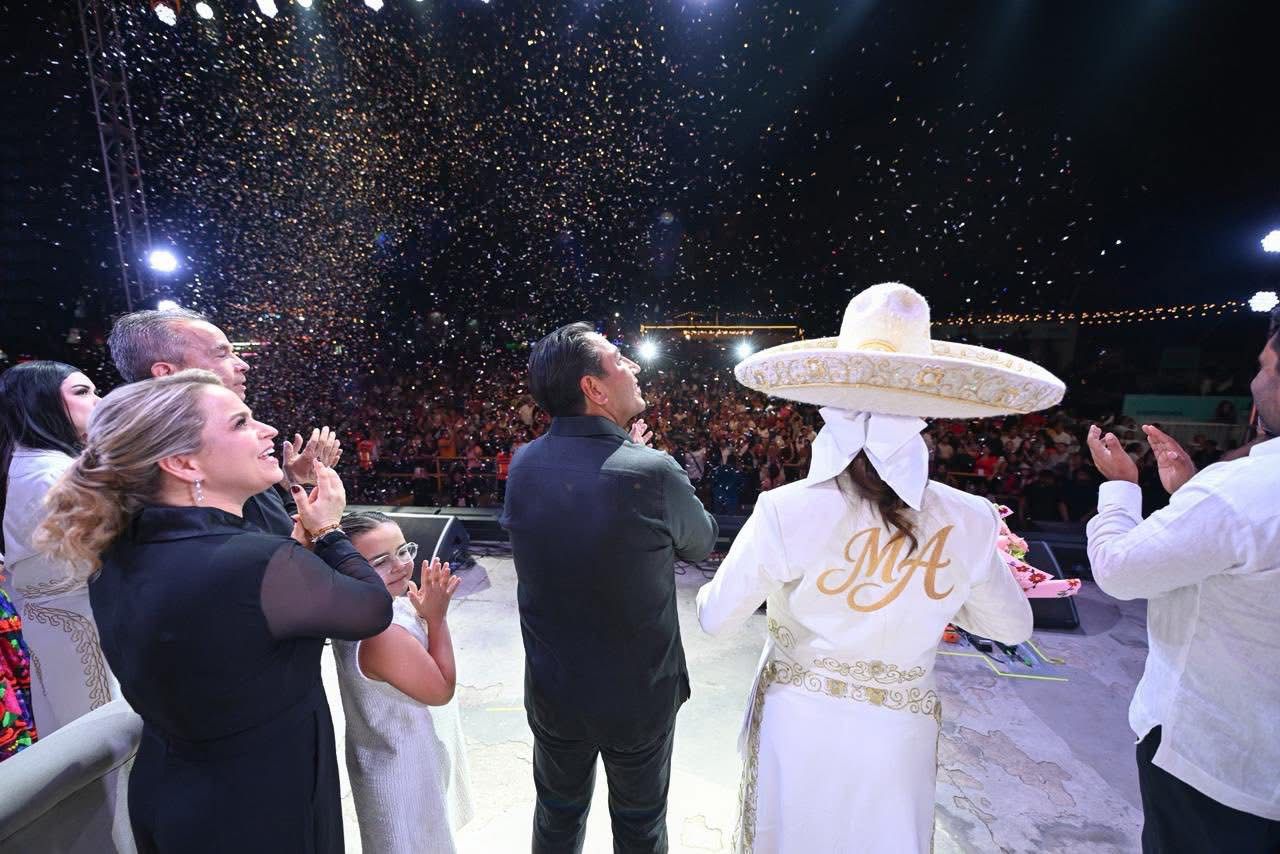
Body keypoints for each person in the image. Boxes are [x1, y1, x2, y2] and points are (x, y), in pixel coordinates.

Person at [697, 283, 1052, 853]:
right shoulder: (971, 517)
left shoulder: (787, 508)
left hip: (799, 723)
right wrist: (943, 592)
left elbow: (716, 619)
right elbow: (1012, 627)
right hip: (899, 731)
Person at [35, 370, 392, 853]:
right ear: (183, 462)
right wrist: (329, 530)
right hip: (261, 804)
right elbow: (372, 608)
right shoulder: (256, 561)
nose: (267, 430)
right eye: (241, 422)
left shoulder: (118, 548)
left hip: (170, 789)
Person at [500, 322, 718, 853]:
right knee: (640, 827)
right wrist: (645, 463)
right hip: (636, 697)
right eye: (620, 360)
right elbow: (701, 542)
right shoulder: (652, 472)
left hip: (555, 692)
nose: (634, 367)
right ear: (593, 388)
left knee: (557, 818)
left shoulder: (524, 464)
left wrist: (629, 456)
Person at [1085, 329, 1280, 852]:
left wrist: (1120, 487)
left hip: (1217, 761)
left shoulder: (1244, 489)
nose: (1255, 382)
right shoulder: (1232, 493)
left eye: (1265, 367)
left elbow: (1118, 571)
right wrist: (1193, 498)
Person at [107, 306, 340, 536]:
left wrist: (296, 487)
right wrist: (327, 532)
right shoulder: (160, 468)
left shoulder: (211, 445)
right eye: (222, 354)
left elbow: (280, 536)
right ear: (167, 373)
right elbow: (268, 553)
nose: (243, 364)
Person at [331, 510, 474, 854]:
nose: (399, 566)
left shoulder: (361, 608)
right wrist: (436, 620)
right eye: (380, 561)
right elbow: (440, 689)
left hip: (392, 754)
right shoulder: (381, 633)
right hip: (402, 771)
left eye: (403, 550)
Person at [0, 360, 117, 735]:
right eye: (82, 392)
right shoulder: (53, 473)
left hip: (56, 621)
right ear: (41, 403)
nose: (98, 401)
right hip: (83, 620)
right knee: (102, 733)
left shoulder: (29, 464)